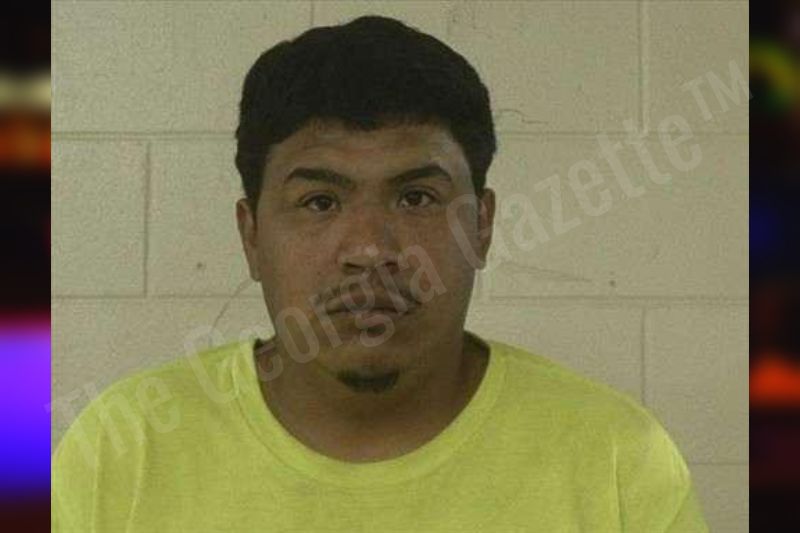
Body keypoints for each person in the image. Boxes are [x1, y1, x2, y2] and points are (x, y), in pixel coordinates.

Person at [52, 15, 709, 532]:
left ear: (481, 225)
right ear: (251, 236)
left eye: (417, 197)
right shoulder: (123, 451)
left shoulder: (617, 460)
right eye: (320, 202)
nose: (369, 248)